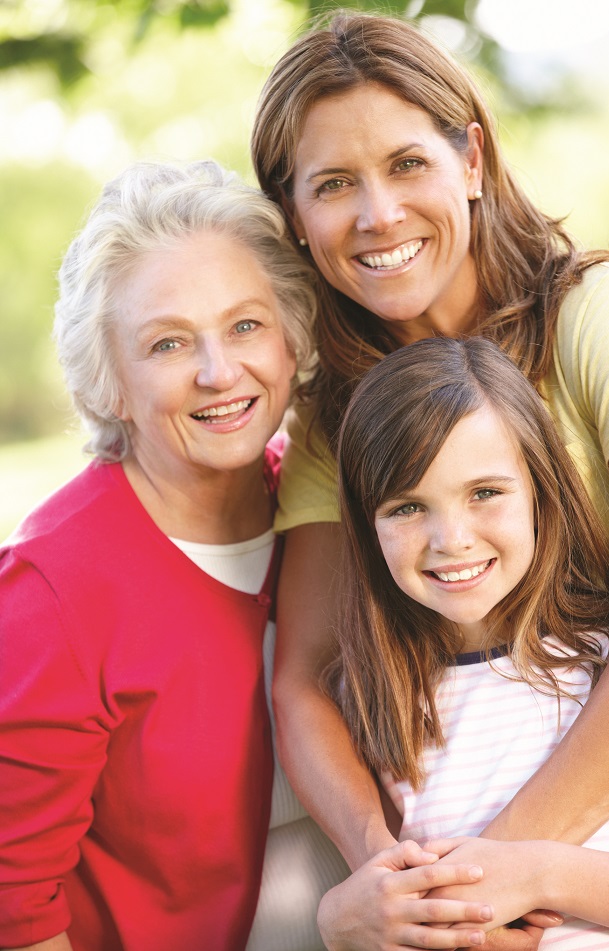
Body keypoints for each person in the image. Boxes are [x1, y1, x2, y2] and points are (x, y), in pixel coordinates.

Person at [249, 11, 609, 948]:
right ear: (295, 217)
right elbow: (304, 677)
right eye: (334, 185)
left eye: (406, 164)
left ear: (470, 159)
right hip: (455, 810)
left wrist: (494, 875)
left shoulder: (595, 317)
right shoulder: (335, 418)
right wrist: (385, 866)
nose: (378, 215)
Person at [0, 159, 369, 951]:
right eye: (168, 343)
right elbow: (15, 909)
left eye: (245, 325)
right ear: (109, 384)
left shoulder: (336, 510)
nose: (219, 371)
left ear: (292, 333)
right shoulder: (51, 592)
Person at [326, 334, 609, 949]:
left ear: (541, 491)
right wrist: (341, 919)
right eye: (408, 507)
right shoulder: (380, 699)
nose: (452, 539)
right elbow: (394, 903)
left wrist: (545, 876)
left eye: (484, 493)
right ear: (367, 525)